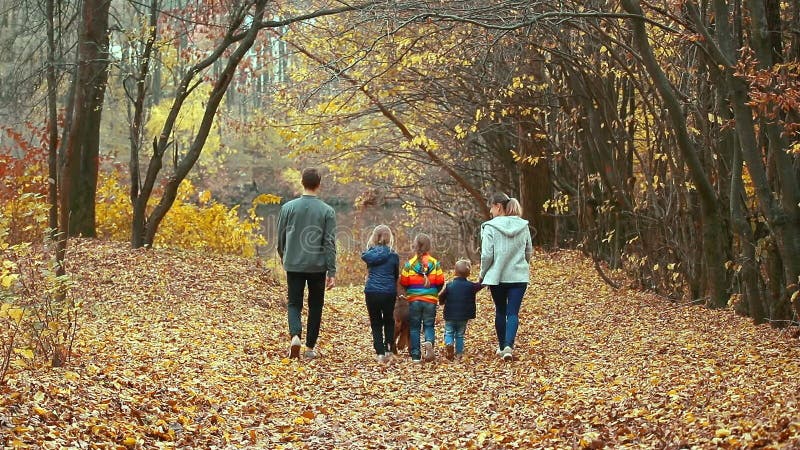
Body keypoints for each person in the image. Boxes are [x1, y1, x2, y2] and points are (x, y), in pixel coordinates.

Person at [277, 168, 337, 359]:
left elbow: (280, 238)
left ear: (302, 182)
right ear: (319, 184)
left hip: (293, 263)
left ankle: (295, 335)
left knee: (294, 303)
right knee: (316, 306)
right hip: (317, 267)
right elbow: (329, 242)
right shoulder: (327, 211)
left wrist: (284, 256)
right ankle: (310, 348)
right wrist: (332, 270)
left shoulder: (288, 208)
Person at [479, 193, 533, 361]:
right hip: (519, 276)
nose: (490, 211)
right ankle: (508, 346)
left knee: (501, 311)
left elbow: (487, 255)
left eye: (491, 207)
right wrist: (523, 264)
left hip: (498, 277)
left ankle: (502, 346)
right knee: (513, 313)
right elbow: (528, 250)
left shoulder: (490, 227)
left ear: (498, 206)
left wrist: (482, 274)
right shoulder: (523, 226)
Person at [399, 233, 445, 363]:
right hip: (430, 300)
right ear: (429, 247)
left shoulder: (409, 264)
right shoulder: (435, 264)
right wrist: (434, 292)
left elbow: (404, 282)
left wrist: (410, 291)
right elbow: (441, 281)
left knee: (414, 327)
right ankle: (429, 344)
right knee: (429, 325)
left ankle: (415, 356)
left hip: (414, 300)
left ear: (414, 247)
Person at [361, 225, 400, 363]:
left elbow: (370, 272)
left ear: (374, 237)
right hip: (388, 292)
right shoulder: (394, 256)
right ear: (389, 238)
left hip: (371, 292)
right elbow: (396, 275)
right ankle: (389, 349)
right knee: (389, 320)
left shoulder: (369, 255)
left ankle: (380, 354)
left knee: (375, 322)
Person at [438, 259, 484, 361]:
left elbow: (441, 296)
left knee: (449, 331)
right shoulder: (471, 286)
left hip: (450, 315)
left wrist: (441, 302)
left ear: (455, 272)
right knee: (459, 334)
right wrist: (482, 278)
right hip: (463, 316)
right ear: (468, 273)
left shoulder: (449, 285)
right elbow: (480, 285)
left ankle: (449, 344)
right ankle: (459, 353)